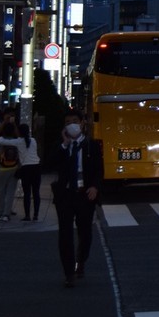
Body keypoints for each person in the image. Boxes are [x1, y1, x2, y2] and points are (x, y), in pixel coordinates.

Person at [52, 110, 102, 288]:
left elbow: (98, 170)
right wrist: (64, 144)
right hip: (65, 194)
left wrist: (95, 187)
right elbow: (52, 163)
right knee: (65, 234)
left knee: (85, 232)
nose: (71, 124)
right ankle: (69, 272)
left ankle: (81, 260)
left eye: (74, 121)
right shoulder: (62, 146)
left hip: (84, 193)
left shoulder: (91, 146)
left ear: (82, 123)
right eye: (67, 122)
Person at [0, 122, 23, 221]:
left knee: (0, 191)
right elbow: (21, 156)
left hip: (2, 169)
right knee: (10, 192)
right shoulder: (16, 141)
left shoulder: (0, 142)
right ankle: (6, 213)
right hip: (14, 168)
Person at [16, 122, 42, 221]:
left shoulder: (18, 141)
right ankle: (36, 214)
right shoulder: (33, 140)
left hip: (26, 168)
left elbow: (2, 140)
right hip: (36, 167)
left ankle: (27, 215)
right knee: (36, 192)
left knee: (27, 193)